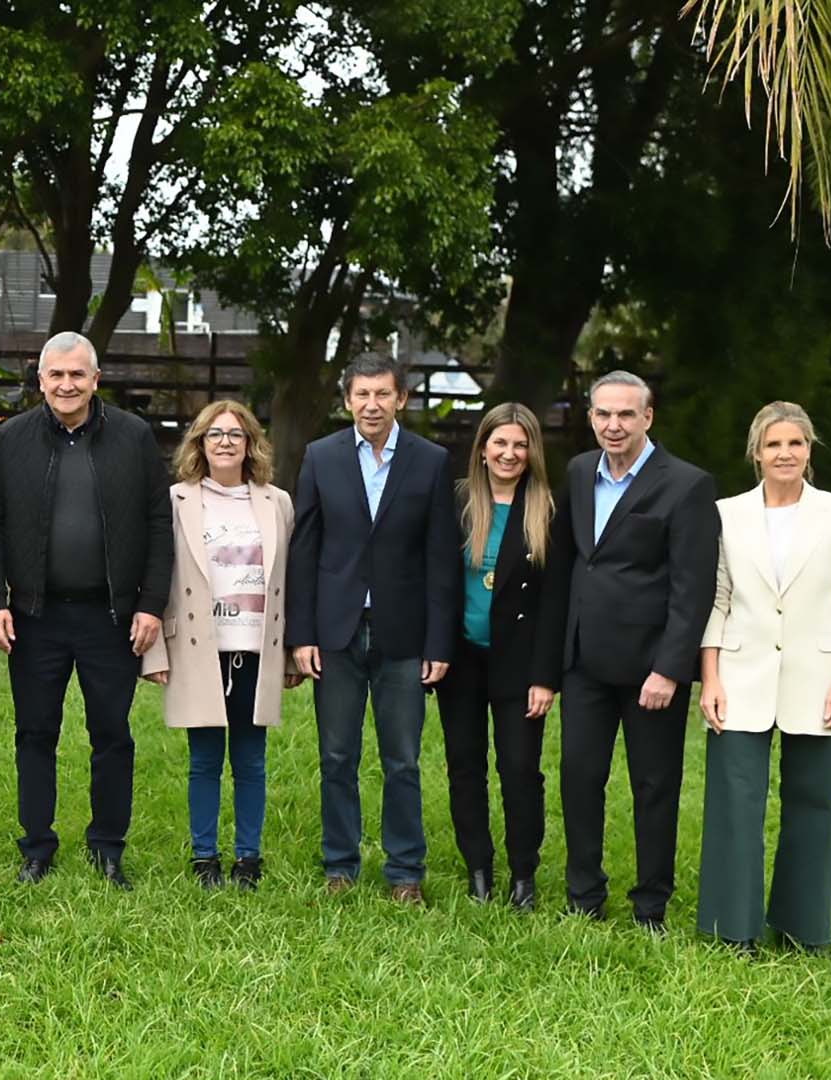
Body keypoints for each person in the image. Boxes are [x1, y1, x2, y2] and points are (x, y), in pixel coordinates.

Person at [0, 331, 172, 889]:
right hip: (36, 617)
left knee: (111, 733)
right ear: (41, 380)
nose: (67, 385)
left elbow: (160, 523)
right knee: (35, 732)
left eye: (77, 375)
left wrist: (151, 604)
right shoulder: (12, 439)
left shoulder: (133, 438)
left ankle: (108, 847)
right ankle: (37, 846)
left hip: (112, 617)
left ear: (95, 379)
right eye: (56, 375)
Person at [531, 370, 718, 933]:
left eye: (626, 415)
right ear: (590, 418)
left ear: (648, 417)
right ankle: (584, 896)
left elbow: (693, 589)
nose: (614, 425)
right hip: (585, 660)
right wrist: (550, 667)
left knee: (654, 787)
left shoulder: (686, 485)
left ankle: (650, 906)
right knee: (580, 779)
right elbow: (565, 569)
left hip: (649, 671)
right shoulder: (580, 471)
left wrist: (669, 668)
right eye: (603, 414)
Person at [697, 401, 831, 950]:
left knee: (813, 803)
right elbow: (715, 600)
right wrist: (712, 678)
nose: (785, 453)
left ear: (809, 450)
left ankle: (802, 929)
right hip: (740, 675)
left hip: (819, 678)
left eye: (795, 443)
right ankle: (733, 929)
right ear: (756, 453)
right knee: (734, 803)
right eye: (774, 444)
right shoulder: (727, 513)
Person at [286, 356, 457, 904]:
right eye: (362, 395)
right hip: (334, 632)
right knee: (337, 755)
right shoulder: (322, 457)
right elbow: (305, 549)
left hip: (404, 633)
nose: (372, 405)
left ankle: (405, 871)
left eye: (383, 394)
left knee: (402, 758)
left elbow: (440, 560)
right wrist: (301, 634)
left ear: (401, 399)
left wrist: (438, 642)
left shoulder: (430, 462)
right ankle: (341, 862)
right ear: (348, 400)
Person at [141, 400, 296, 891]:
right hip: (197, 648)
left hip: (257, 647)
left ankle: (248, 858)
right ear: (199, 443)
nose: (224, 442)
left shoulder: (278, 502)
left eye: (234, 434)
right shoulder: (176, 501)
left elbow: (289, 584)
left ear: (250, 443)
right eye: (214, 433)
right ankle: (205, 856)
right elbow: (158, 580)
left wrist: (291, 652)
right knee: (204, 758)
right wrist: (155, 653)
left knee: (251, 760)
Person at [435, 403, 555, 910]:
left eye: (520, 444)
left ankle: (523, 873)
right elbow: (438, 585)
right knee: (465, 766)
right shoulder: (458, 503)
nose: (509, 453)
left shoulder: (546, 509)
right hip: (461, 660)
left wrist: (545, 676)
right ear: (482, 449)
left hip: (521, 665)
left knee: (520, 768)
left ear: (531, 453)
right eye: (499, 443)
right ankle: (478, 868)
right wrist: (435, 650)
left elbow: (556, 600)